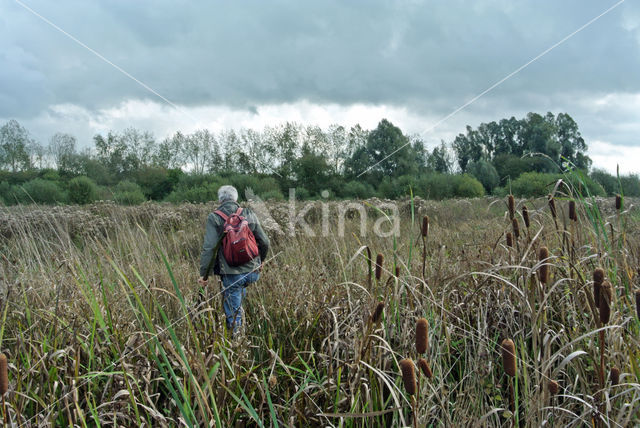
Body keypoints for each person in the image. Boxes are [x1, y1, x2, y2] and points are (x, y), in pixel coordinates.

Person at [198, 185, 270, 336]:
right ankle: (245, 330)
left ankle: (237, 345)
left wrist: (204, 275)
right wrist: (261, 262)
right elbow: (264, 241)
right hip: (252, 272)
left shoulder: (214, 217)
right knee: (238, 296)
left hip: (232, 275)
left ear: (220, 200)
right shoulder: (248, 213)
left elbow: (209, 248)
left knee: (233, 315)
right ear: (236, 198)